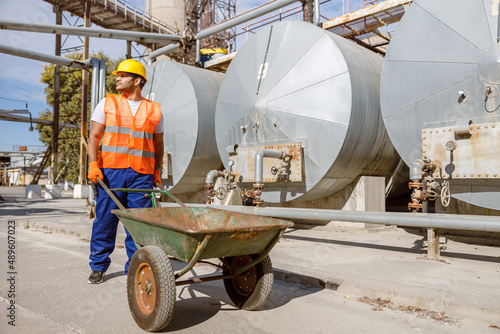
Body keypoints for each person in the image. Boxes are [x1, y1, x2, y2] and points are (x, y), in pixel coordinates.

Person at [86, 59, 164, 284]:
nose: (117, 78)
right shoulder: (107, 103)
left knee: (138, 224)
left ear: (137, 81)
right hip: (111, 173)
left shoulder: (154, 110)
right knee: (105, 221)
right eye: (117, 75)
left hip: (142, 175)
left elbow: (158, 145)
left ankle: (136, 267)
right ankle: (98, 266)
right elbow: (94, 136)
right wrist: (93, 164)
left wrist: (156, 171)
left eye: (123, 75)